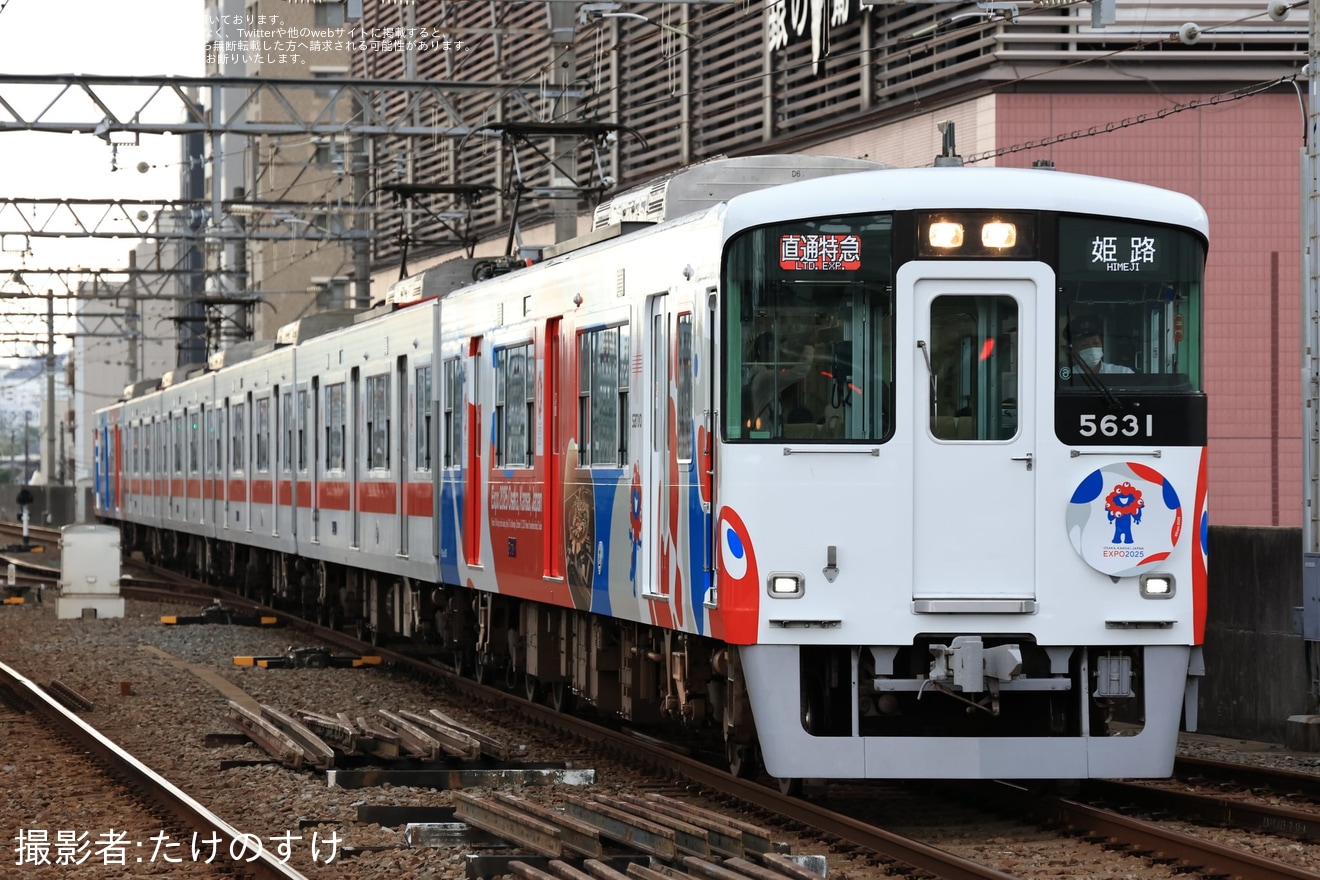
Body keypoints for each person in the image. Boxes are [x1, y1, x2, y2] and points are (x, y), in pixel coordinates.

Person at [1066, 314, 1134, 375]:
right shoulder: (1067, 376)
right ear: (1075, 350)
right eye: (1084, 345)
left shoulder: (1123, 373)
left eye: (1096, 343)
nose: (1092, 348)